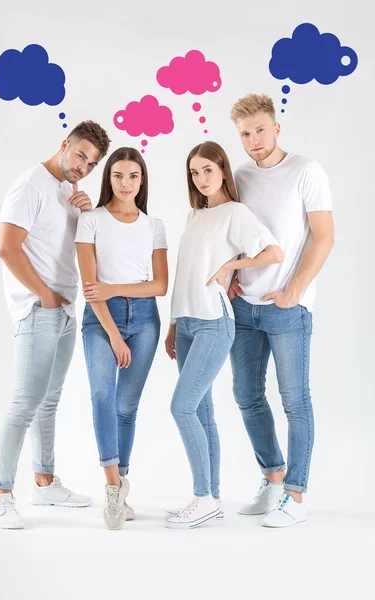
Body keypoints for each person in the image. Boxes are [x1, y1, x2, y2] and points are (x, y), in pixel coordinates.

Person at [0, 121, 111, 529]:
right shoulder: (30, 185)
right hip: (37, 309)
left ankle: (44, 481)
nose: (83, 168)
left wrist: (85, 214)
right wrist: (42, 294)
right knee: (25, 403)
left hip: (65, 309)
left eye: (92, 164)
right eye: (80, 156)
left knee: (48, 402)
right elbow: (7, 247)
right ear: (64, 144)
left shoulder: (64, 191)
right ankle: (1, 494)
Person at [164, 141, 283, 529]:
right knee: (200, 410)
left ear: (223, 171)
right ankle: (210, 497)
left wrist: (232, 264)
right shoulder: (194, 215)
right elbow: (185, 274)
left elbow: (273, 253)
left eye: (207, 171)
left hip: (215, 321)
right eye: (194, 172)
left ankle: (201, 497)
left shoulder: (235, 213)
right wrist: (173, 325)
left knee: (181, 407)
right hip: (187, 323)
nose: (201, 179)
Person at [228, 93, 334, 528]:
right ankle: (273, 478)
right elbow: (233, 229)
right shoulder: (240, 175)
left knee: (295, 401)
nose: (253, 140)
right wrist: (232, 273)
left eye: (259, 130)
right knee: (246, 396)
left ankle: (296, 495)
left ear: (276, 127)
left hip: (289, 308)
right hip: (243, 307)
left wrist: (295, 289)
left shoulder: (305, 170)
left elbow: (324, 235)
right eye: (244, 134)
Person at [75, 147, 168, 530]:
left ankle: (122, 483)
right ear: (108, 178)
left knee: (126, 407)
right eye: (118, 175)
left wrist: (115, 287)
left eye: (133, 176)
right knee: (102, 395)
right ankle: (113, 487)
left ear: (142, 180)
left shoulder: (154, 226)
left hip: (145, 320)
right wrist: (114, 335)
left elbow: (160, 286)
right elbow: (90, 288)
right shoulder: (91, 220)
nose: (125, 183)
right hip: (101, 321)